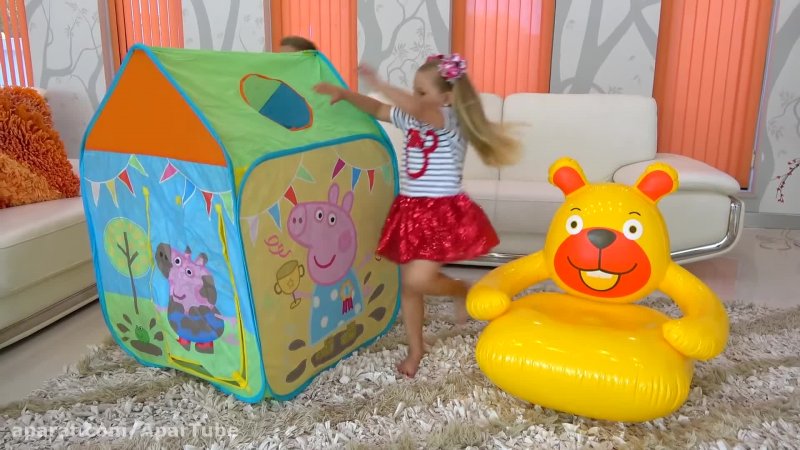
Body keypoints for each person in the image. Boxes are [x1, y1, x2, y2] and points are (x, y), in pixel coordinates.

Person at [314, 54, 520, 377]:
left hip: (441, 212)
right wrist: (347, 94)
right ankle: (416, 348)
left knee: (418, 279)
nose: (416, 97)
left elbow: (419, 109)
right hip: (411, 210)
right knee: (409, 287)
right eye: (415, 90)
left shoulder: (449, 120)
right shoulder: (412, 119)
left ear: (447, 98)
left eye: (422, 92)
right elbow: (378, 109)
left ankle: (459, 288)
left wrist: (379, 83)